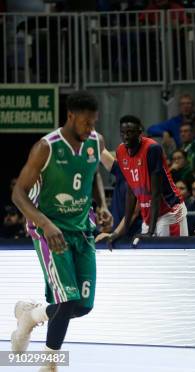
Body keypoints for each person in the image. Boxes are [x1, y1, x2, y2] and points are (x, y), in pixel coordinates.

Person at [10, 91, 112, 371]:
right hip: (50, 232)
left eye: (93, 123)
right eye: (85, 123)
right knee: (66, 301)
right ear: (70, 116)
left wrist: (102, 204)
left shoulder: (96, 141)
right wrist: (44, 223)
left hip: (82, 229)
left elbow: (93, 174)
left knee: (83, 305)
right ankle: (49, 364)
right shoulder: (46, 146)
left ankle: (30, 317)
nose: (90, 128)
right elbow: (18, 194)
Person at [98, 115, 188, 245]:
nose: (126, 136)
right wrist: (120, 231)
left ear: (140, 132)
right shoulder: (121, 151)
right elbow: (130, 192)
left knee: (171, 258)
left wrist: (151, 232)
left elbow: (156, 193)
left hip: (170, 211)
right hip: (149, 215)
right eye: (122, 133)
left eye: (130, 132)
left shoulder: (152, 148)